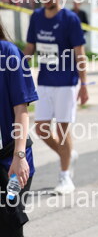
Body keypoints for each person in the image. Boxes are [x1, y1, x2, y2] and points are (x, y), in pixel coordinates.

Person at [24, 0, 89, 194]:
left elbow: (80, 54)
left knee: (63, 130)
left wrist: (84, 84)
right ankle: (67, 154)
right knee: (41, 128)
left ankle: (65, 177)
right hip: (44, 81)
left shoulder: (70, 19)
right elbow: (30, 48)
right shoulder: (36, 17)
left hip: (66, 83)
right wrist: (16, 68)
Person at [0, 19, 38, 237]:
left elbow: (21, 109)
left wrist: (19, 156)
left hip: (11, 161)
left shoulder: (9, 54)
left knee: (9, 225)